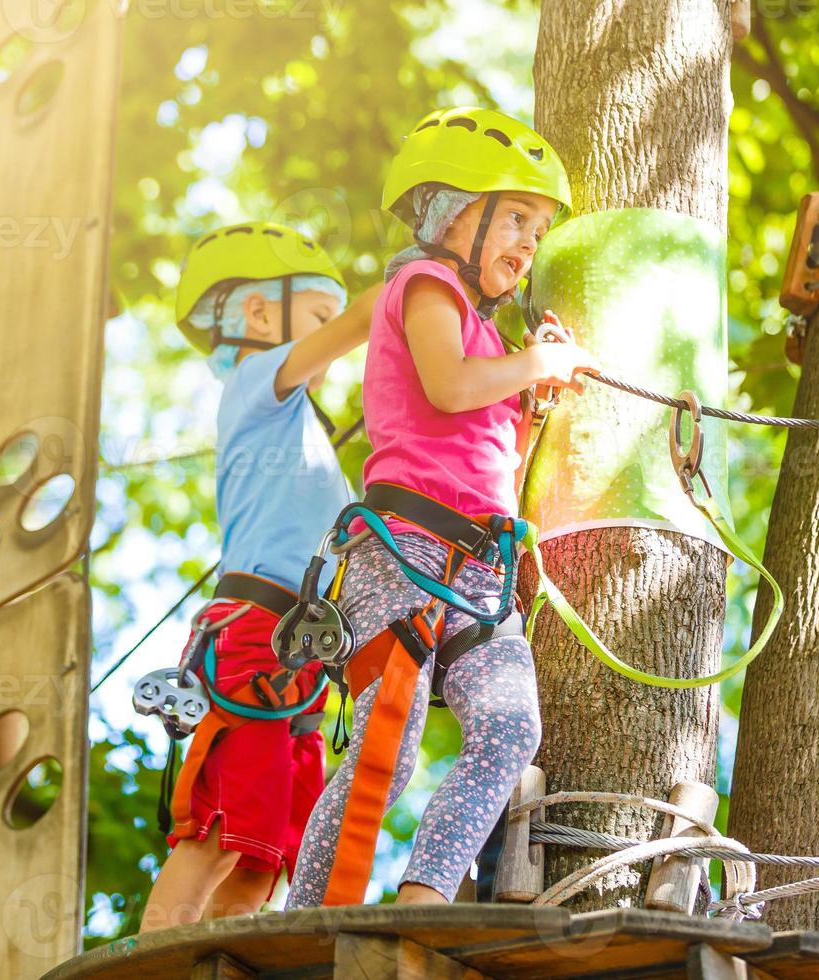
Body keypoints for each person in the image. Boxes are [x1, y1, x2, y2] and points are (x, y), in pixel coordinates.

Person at [286, 108, 598, 908]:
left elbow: (493, 452)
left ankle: (423, 903)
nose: (529, 244)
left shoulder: (494, 344)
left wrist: (533, 393)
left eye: (539, 230)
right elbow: (447, 386)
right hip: (405, 546)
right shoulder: (425, 284)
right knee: (389, 731)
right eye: (516, 218)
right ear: (450, 213)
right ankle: (314, 919)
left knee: (508, 727)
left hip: (481, 566)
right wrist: (535, 361)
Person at [139, 222, 380, 931]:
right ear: (257, 314)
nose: (329, 339)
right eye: (316, 317)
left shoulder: (309, 439)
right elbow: (371, 316)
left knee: (260, 864)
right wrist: (435, 289)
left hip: (303, 656)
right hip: (253, 634)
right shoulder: (258, 386)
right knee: (216, 835)